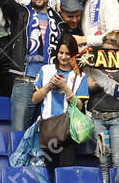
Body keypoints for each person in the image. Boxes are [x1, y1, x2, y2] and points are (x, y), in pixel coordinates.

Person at [32, 34, 89, 172]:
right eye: (61, 52)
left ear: (74, 55)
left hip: (68, 133)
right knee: (49, 173)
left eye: (68, 54)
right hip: (48, 130)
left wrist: (65, 87)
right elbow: (34, 99)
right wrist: (48, 86)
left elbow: (80, 106)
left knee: (65, 173)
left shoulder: (80, 76)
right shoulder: (46, 70)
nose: (63, 57)